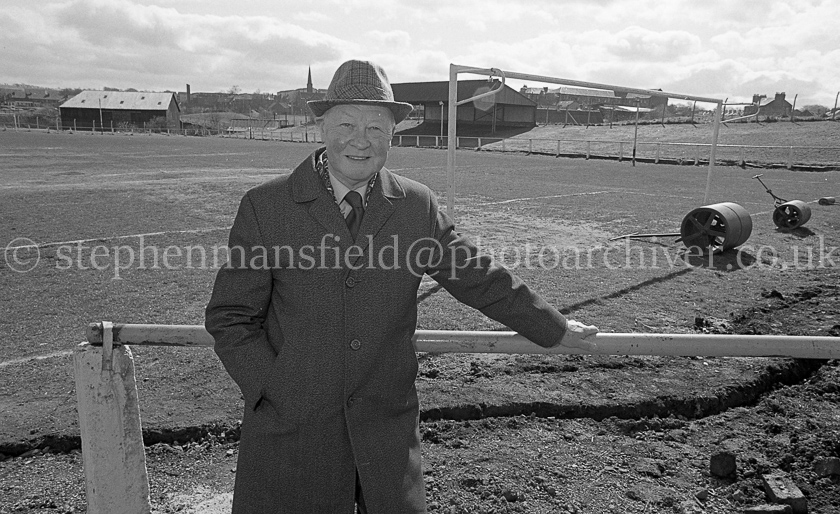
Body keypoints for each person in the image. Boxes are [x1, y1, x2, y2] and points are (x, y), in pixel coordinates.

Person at [205, 59, 598, 514]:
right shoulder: (266, 206)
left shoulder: (416, 205)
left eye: (376, 127)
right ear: (322, 128)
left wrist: (553, 326)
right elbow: (230, 317)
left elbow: (479, 276)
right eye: (347, 124)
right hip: (293, 427)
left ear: (393, 135)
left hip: (384, 428)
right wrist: (275, 388)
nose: (360, 139)